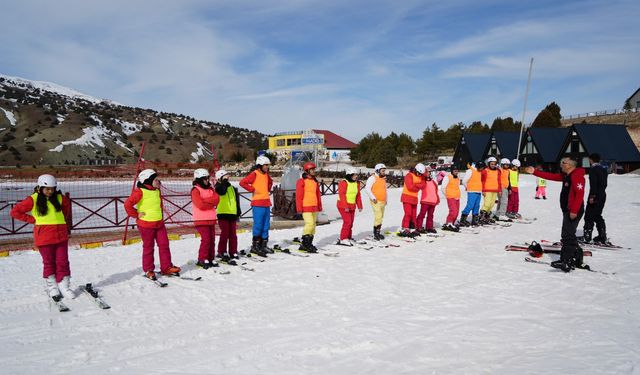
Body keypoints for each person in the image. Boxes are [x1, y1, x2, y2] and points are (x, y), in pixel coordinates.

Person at [10, 174, 75, 299]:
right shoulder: (32, 199)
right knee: (49, 262)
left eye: (52, 188)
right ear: (39, 188)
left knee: (63, 261)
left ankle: (64, 286)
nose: (50, 191)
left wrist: (63, 222)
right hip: (44, 237)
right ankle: (52, 287)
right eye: (47, 189)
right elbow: (15, 212)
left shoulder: (60, 198)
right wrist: (32, 220)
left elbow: (67, 208)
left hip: (61, 236)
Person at [526, 158, 586, 272]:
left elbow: (580, 194)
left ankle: (566, 261)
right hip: (568, 209)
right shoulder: (567, 175)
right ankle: (577, 257)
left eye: (564, 163)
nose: (561, 164)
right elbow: (551, 176)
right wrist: (535, 172)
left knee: (567, 235)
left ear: (571, 165)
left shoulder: (576, 175)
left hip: (573, 210)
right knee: (569, 234)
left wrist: (574, 210)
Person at [125, 169, 181, 279]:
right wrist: (136, 214)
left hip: (159, 224)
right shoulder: (140, 191)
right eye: (156, 180)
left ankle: (166, 267)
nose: (158, 181)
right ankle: (148, 270)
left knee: (164, 245)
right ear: (148, 181)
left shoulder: (156, 190)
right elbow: (127, 204)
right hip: (146, 225)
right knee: (148, 247)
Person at [240, 155, 273, 257]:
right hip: (258, 204)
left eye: (268, 165)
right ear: (260, 165)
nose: (267, 167)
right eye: (265, 165)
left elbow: (269, 183)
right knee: (258, 225)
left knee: (266, 225)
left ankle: (263, 245)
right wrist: (252, 189)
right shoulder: (255, 174)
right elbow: (243, 182)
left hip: (266, 202)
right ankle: (255, 246)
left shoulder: (266, 175)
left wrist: (267, 187)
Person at [191, 168, 220, 269]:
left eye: (207, 178)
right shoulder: (195, 190)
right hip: (201, 220)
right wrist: (210, 202)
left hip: (211, 219)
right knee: (206, 240)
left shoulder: (210, 189)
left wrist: (206, 201)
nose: (207, 181)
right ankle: (202, 258)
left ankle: (211, 258)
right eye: (205, 179)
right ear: (199, 179)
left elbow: (217, 199)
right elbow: (200, 205)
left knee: (212, 240)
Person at [579, 153, 609, 244]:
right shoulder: (603, 169)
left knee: (588, 215)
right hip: (602, 194)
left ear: (591, 160)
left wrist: (592, 196)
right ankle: (602, 235)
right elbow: (604, 184)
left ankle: (587, 237)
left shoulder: (593, 169)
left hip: (595, 195)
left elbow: (594, 184)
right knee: (597, 215)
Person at [215, 170, 241, 265]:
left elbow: (235, 200)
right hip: (223, 213)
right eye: (225, 177)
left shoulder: (232, 187)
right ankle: (221, 251)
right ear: (220, 178)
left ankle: (233, 251)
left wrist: (238, 210)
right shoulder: (218, 186)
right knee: (224, 234)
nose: (227, 178)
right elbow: (222, 192)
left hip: (232, 213)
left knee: (233, 235)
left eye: (228, 176)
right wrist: (224, 182)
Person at [295, 162, 323, 252]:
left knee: (313, 226)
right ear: (307, 171)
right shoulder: (301, 181)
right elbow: (299, 196)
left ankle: (309, 244)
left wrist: (319, 206)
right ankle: (304, 244)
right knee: (309, 224)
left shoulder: (315, 181)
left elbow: (318, 195)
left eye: (314, 169)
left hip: (314, 206)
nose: (314, 171)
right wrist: (299, 209)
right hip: (306, 206)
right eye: (312, 169)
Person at [336, 168, 363, 245]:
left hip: (352, 205)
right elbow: (342, 195)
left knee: (351, 223)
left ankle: (348, 237)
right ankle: (343, 238)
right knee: (347, 222)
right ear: (349, 175)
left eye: (357, 175)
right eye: (354, 175)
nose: (356, 176)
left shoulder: (357, 183)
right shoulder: (344, 182)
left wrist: (360, 206)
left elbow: (358, 195)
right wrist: (345, 206)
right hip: (342, 205)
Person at [399, 163, 426, 237]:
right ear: (415, 170)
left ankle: (413, 228)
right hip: (407, 197)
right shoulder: (409, 175)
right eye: (419, 173)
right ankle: (404, 228)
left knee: (413, 215)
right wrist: (418, 186)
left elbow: (423, 185)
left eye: (421, 174)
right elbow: (410, 187)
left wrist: (416, 185)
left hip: (414, 198)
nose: (419, 175)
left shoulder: (421, 176)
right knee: (408, 214)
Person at [364, 163, 387, 240]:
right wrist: (373, 197)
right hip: (375, 201)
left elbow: (384, 190)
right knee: (378, 216)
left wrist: (386, 199)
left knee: (381, 217)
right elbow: (367, 188)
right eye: (382, 171)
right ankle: (375, 233)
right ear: (377, 171)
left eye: (384, 171)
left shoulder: (383, 179)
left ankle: (378, 232)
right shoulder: (372, 178)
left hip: (382, 201)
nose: (384, 172)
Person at [460, 161, 486, 226]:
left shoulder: (480, 172)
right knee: (470, 205)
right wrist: (468, 187)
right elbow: (464, 181)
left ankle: (475, 220)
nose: (482, 169)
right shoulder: (470, 171)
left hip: (478, 191)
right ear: (477, 166)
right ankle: (463, 219)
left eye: (483, 168)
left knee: (477, 206)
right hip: (472, 191)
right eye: (481, 168)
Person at [416, 167, 440, 233]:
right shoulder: (423, 181)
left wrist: (437, 199)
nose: (428, 173)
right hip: (425, 201)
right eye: (427, 172)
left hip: (433, 201)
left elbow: (435, 191)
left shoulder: (433, 182)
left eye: (429, 172)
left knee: (430, 215)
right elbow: (418, 185)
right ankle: (419, 226)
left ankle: (429, 227)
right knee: (422, 214)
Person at [480, 156, 502, 224]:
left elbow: (499, 181)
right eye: (491, 164)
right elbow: (482, 181)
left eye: (494, 164)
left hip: (495, 190)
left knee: (492, 204)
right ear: (488, 164)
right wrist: (483, 190)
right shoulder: (485, 171)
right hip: (487, 190)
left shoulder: (498, 171)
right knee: (487, 204)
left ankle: (487, 217)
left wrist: (500, 190)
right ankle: (482, 216)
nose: (493, 165)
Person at [441, 165, 462, 231]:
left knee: (457, 212)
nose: (456, 172)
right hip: (450, 197)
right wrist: (447, 195)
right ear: (452, 171)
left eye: (457, 171)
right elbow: (443, 187)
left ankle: (452, 223)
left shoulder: (457, 178)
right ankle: (449, 223)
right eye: (455, 171)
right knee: (453, 211)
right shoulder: (447, 177)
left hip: (457, 197)